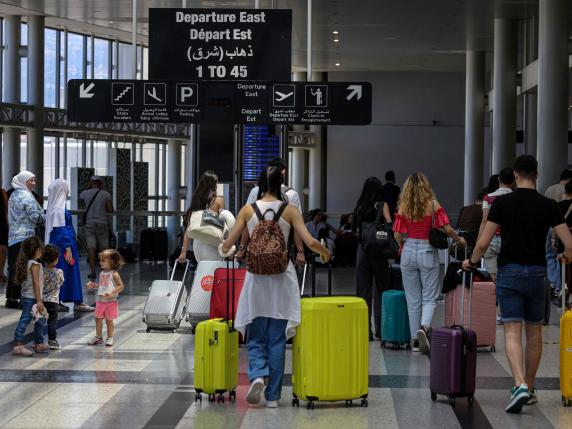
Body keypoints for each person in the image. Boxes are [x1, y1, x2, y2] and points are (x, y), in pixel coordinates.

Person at [462, 155, 572, 413]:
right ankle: (529, 389)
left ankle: (519, 384)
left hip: (509, 271)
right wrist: (567, 255)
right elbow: (569, 242)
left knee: (512, 331)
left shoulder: (502, 203)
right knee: (534, 333)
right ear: (537, 173)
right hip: (537, 274)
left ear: (515, 173)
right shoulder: (549, 205)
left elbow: (482, 242)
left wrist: (471, 261)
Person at [219, 166, 330, 408]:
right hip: (283, 279)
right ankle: (273, 397)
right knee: (277, 339)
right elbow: (309, 241)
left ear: (260, 184)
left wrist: (226, 248)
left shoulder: (248, 210)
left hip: (256, 279)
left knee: (256, 334)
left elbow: (228, 244)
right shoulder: (289, 210)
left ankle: (258, 374)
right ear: (281, 184)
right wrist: (325, 252)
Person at [393, 173, 466, 354]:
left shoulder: (403, 206)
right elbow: (447, 228)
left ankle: (415, 341)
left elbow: (397, 233)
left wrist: (402, 244)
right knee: (430, 296)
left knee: (413, 299)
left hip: (408, 251)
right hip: (427, 251)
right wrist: (459, 240)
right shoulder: (433, 204)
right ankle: (425, 328)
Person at [243, 158, 306, 266]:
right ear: (282, 174)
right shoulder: (291, 194)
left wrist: (242, 247)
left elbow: (245, 221)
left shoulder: (255, 191)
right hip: (283, 252)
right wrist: (300, 251)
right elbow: (297, 227)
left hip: (256, 251)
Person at [353, 177, 392, 341]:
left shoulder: (359, 206)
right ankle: (381, 330)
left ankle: (364, 330)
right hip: (379, 251)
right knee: (382, 289)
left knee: (363, 291)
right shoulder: (382, 205)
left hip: (363, 250)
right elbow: (390, 224)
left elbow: (355, 229)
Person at [47, 179, 93, 312]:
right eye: (66, 188)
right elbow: (61, 231)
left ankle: (72, 300)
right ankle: (66, 301)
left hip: (62, 246)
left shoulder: (56, 208)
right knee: (65, 272)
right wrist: (68, 248)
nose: (68, 191)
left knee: (66, 272)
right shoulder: (58, 209)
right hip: (63, 247)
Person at [5, 171, 45, 309]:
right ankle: (24, 299)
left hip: (13, 237)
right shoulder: (26, 196)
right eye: (31, 180)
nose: (33, 183)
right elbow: (35, 217)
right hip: (26, 237)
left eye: (34, 180)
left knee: (15, 267)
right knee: (26, 268)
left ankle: (11, 298)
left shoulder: (14, 194)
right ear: (23, 181)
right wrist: (45, 216)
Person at [178, 171, 235, 263]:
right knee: (213, 274)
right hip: (212, 243)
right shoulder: (219, 200)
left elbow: (188, 229)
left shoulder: (196, 200)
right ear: (214, 184)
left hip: (198, 244)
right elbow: (223, 222)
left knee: (203, 273)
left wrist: (183, 251)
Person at [12, 236, 47, 356]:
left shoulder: (26, 263)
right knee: (25, 320)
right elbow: (36, 283)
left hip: (27, 297)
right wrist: (39, 301)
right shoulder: (35, 265)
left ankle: (39, 343)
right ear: (37, 250)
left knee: (40, 320)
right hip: (33, 298)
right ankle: (18, 345)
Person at [479, 167, 515, 281]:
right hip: (509, 239)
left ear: (499, 179)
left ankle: (495, 298)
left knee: (493, 276)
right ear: (514, 181)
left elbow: (484, 221)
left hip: (491, 239)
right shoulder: (516, 197)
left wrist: (479, 241)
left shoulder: (488, 198)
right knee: (508, 275)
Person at [87, 249, 125, 347]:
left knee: (109, 321)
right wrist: (94, 285)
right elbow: (102, 285)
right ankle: (98, 337)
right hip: (100, 301)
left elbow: (121, 286)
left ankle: (110, 337)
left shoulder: (114, 274)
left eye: (103, 261)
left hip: (111, 302)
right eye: (100, 260)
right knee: (98, 319)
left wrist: (112, 292)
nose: (100, 262)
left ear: (112, 262)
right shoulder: (102, 273)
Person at [544, 169, 572, 298]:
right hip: (563, 228)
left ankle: (552, 284)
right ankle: (561, 287)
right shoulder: (566, 190)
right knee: (562, 257)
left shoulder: (549, 189)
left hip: (550, 227)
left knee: (550, 256)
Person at [79, 176, 113, 280]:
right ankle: (106, 270)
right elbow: (110, 209)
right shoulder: (105, 194)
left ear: (91, 182)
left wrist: (88, 187)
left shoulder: (85, 193)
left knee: (91, 248)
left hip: (90, 224)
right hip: (102, 224)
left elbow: (80, 199)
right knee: (104, 249)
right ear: (101, 183)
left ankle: (92, 272)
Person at [41, 244, 64, 350]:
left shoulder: (41, 271)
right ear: (55, 259)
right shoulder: (59, 272)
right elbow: (61, 283)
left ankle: (39, 341)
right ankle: (52, 340)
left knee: (40, 321)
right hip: (54, 301)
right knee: (52, 322)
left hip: (41, 300)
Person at [0, 188, 8, 282]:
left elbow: (7, 209)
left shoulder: (2, 192)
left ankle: (1, 272)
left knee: (2, 249)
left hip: (1, 224)